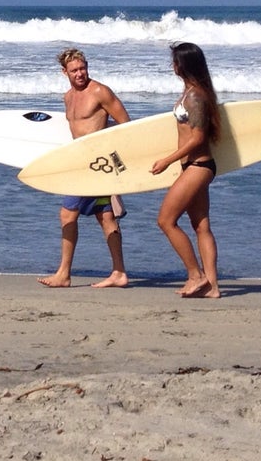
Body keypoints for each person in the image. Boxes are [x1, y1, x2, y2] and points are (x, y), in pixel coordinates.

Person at [38, 48, 130, 289]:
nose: (80, 74)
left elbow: (126, 125)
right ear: (64, 72)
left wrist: (114, 162)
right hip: (80, 163)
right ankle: (119, 272)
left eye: (83, 68)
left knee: (67, 214)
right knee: (106, 216)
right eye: (74, 70)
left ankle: (64, 274)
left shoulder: (100, 92)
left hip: (96, 165)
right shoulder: (68, 97)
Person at [150, 42, 221, 298]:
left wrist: (167, 160)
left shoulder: (195, 97)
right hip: (194, 166)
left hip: (198, 166)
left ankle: (196, 275)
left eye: (175, 61)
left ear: (183, 65)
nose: (173, 65)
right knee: (201, 226)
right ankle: (212, 287)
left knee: (166, 221)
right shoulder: (192, 92)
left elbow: (198, 138)